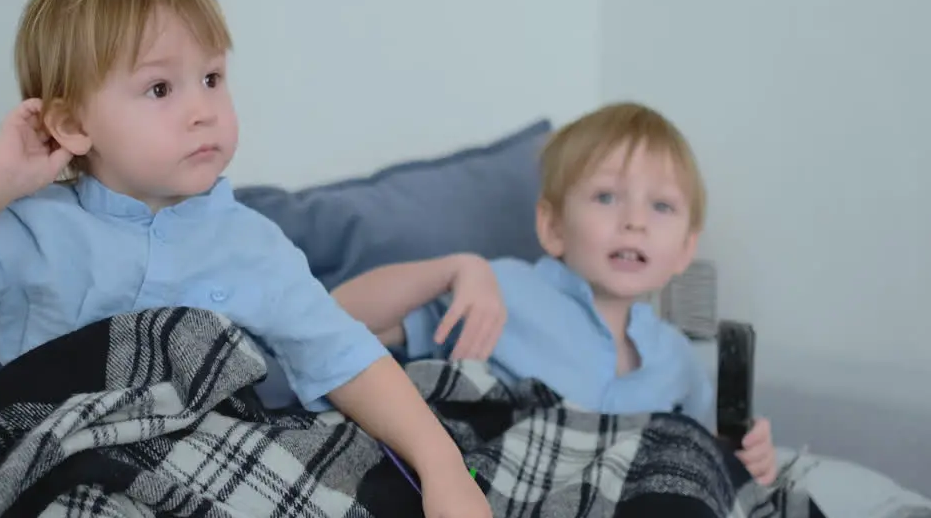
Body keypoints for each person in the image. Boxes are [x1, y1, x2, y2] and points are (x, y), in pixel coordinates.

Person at [0, 0, 494, 518]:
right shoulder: (32, 226)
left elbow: (347, 359)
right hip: (58, 465)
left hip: (199, 476)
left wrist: (442, 468)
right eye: (160, 87)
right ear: (73, 127)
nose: (202, 111)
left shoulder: (252, 245)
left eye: (213, 78)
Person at [332, 102, 779, 485]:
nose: (635, 221)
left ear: (685, 250)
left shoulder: (678, 361)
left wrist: (746, 456)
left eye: (661, 206)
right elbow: (336, 317)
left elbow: (700, 467)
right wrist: (452, 271)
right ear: (553, 227)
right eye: (606, 196)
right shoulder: (497, 287)